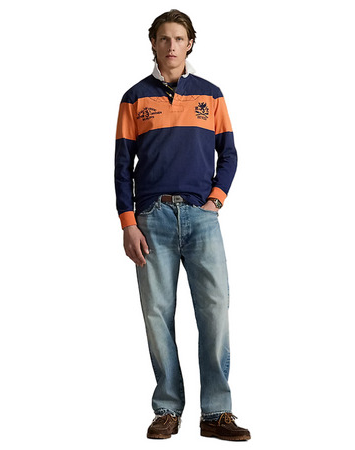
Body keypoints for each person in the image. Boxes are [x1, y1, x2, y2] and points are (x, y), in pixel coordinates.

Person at [114, 9, 251, 441]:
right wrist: (128, 222)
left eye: (179, 38)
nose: (171, 46)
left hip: (201, 218)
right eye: (164, 38)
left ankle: (216, 413)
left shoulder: (211, 95)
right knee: (157, 314)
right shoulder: (134, 98)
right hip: (151, 219)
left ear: (190, 43)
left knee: (215, 309)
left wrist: (215, 201)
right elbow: (122, 165)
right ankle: (167, 409)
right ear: (153, 43)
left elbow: (229, 154)